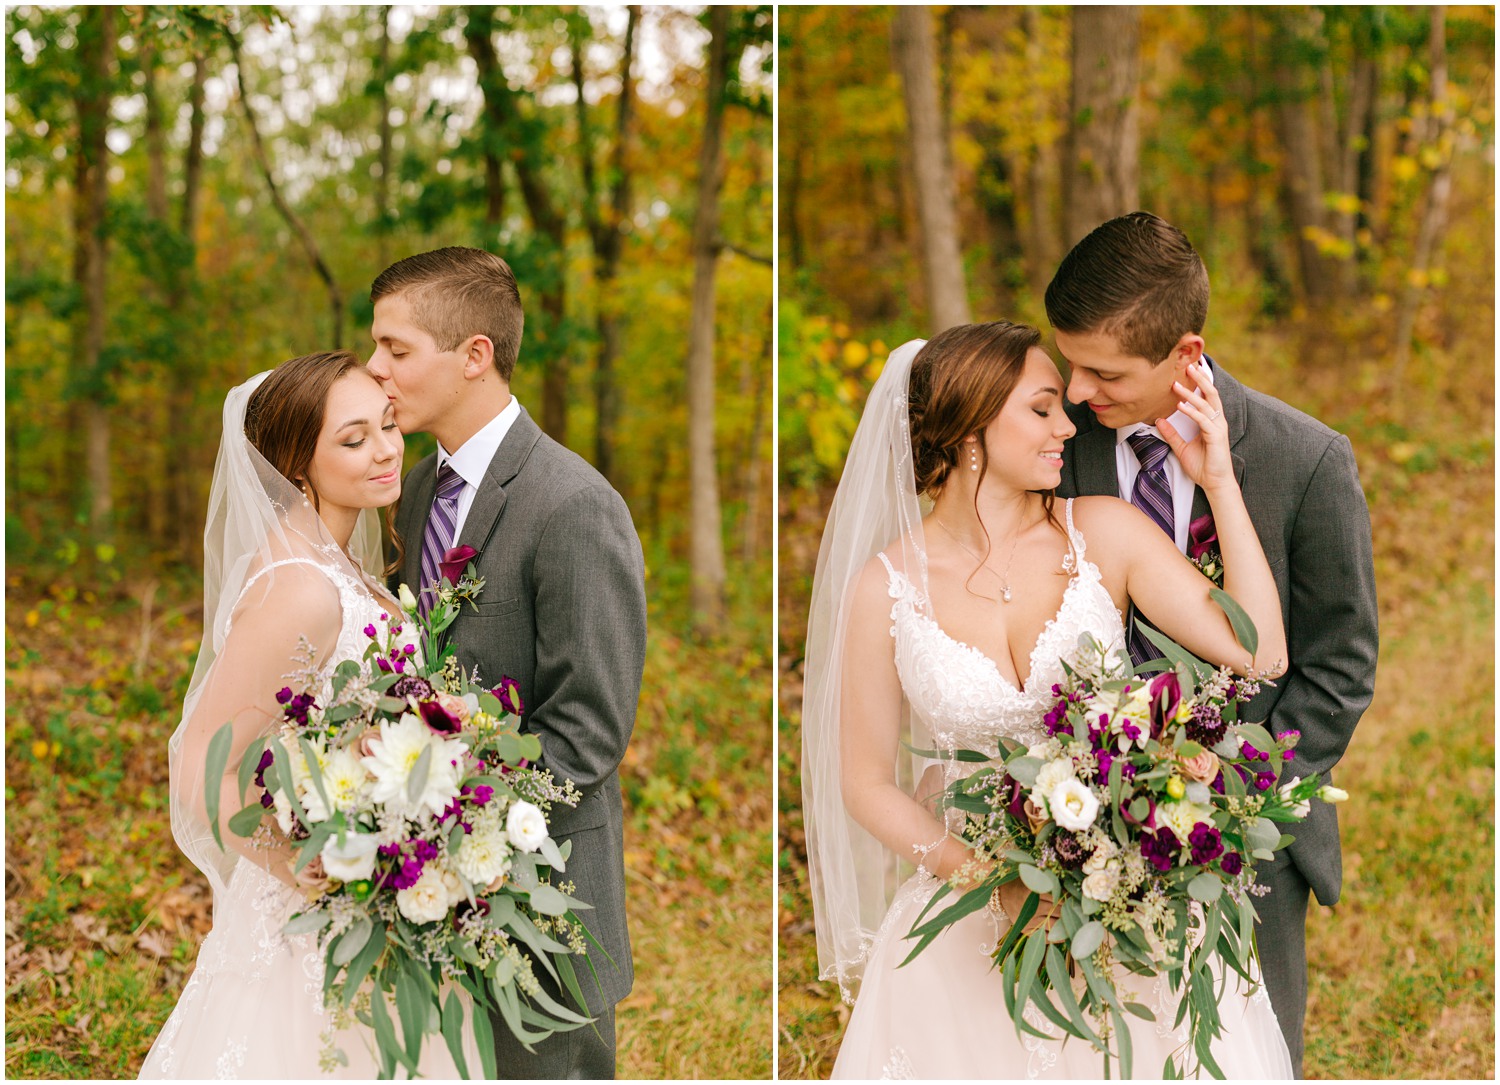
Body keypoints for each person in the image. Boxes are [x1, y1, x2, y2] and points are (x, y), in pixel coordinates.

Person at [802, 322, 1295, 1078]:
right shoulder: (885, 587)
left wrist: (1220, 479)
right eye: (1041, 409)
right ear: (973, 429)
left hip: (1130, 889)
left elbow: (1260, 651)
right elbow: (865, 782)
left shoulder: (1104, 532)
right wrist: (997, 883)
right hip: (970, 901)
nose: (1069, 424)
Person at [1047, 212, 1378, 1075]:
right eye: (1068, 363)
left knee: (1248, 1056)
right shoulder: (1050, 451)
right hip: (1085, 831)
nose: (1077, 391)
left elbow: (1339, 664)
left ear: (1186, 353)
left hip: (1246, 832)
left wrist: (1237, 790)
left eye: (1103, 371)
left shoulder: (1305, 459)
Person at [141, 351, 474, 1077]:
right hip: (314, 917)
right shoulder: (301, 588)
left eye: (388, 425)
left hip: (379, 897)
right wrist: (306, 868)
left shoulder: (344, 559)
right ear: (295, 468)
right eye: (353, 439)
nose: (387, 448)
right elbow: (204, 755)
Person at [368, 246, 647, 1079]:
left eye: (396, 349)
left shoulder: (573, 504)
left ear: (475, 355)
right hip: (428, 888)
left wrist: (457, 828)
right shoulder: (415, 489)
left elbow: (588, 728)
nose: (376, 369)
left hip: (545, 888)